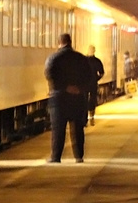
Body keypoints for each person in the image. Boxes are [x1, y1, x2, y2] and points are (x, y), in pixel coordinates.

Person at [45, 33, 93, 163]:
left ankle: (56, 157)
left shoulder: (53, 58)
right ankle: (79, 156)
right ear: (70, 42)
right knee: (78, 129)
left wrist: (65, 87)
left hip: (59, 98)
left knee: (58, 129)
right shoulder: (82, 58)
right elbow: (89, 76)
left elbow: (50, 75)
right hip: (77, 98)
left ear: (59, 43)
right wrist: (79, 88)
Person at [85, 45, 105, 126]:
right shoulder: (97, 61)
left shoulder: (84, 60)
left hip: (85, 83)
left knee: (85, 100)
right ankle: (91, 118)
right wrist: (97, 78)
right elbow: (102, 72)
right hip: (92, 83)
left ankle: (86, 119)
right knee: (92, 100)